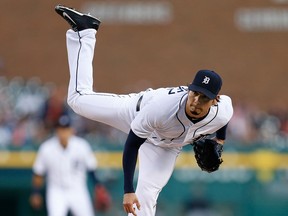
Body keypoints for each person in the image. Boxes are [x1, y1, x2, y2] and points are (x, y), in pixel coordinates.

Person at [54, 5, 234, 216]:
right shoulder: (162, 109)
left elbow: (223, 120)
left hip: (166, 148)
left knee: (146, 199)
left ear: (215, 100)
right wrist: (128, 189)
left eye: (204, 97)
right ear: (189, 88)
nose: (196, 100)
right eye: (195, 92)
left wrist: (220, 141)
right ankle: (85, 32)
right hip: (136, 113)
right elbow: (132, 144)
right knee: (77, 100)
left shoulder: (222, 111)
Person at [30, 114, 111, 216]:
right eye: (61, 129)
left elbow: (91, 169)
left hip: (77, 189)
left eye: (66, 128)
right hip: (56, 191)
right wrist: (36, 193)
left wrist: (98, 187)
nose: (63, 132)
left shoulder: (82, 146)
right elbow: (38, 172)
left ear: (71, 130)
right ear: (56, 130)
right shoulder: (46, 148)